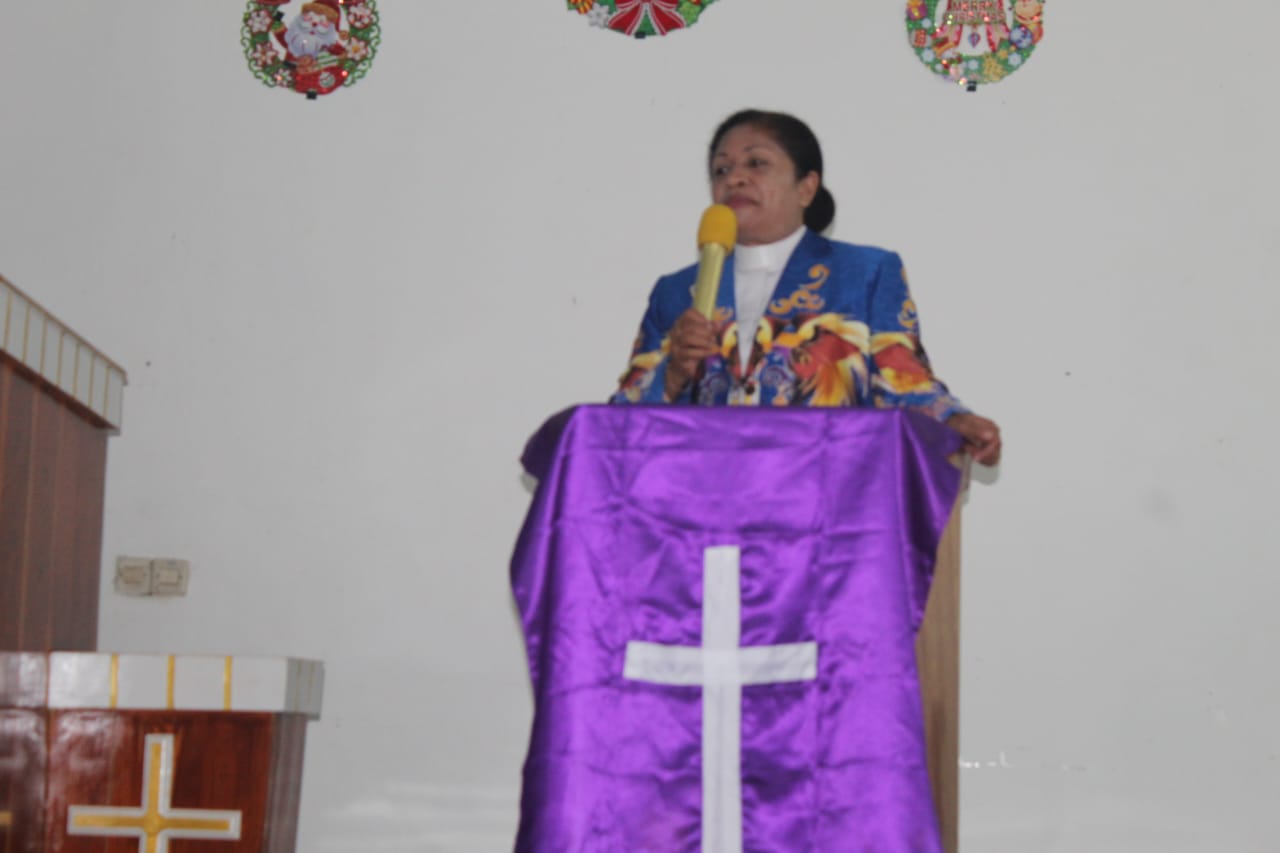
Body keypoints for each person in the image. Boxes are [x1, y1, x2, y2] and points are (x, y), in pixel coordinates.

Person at [610, 109, 1002, 466]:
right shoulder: (677, 292)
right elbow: (619, 421)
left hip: (828, 493)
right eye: (721, 170)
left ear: (806, 188)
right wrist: (672, 373)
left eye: (756, 163)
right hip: (706, 495)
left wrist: (955, 420)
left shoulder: (863, 273)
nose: (735, 178)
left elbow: (903, 382)